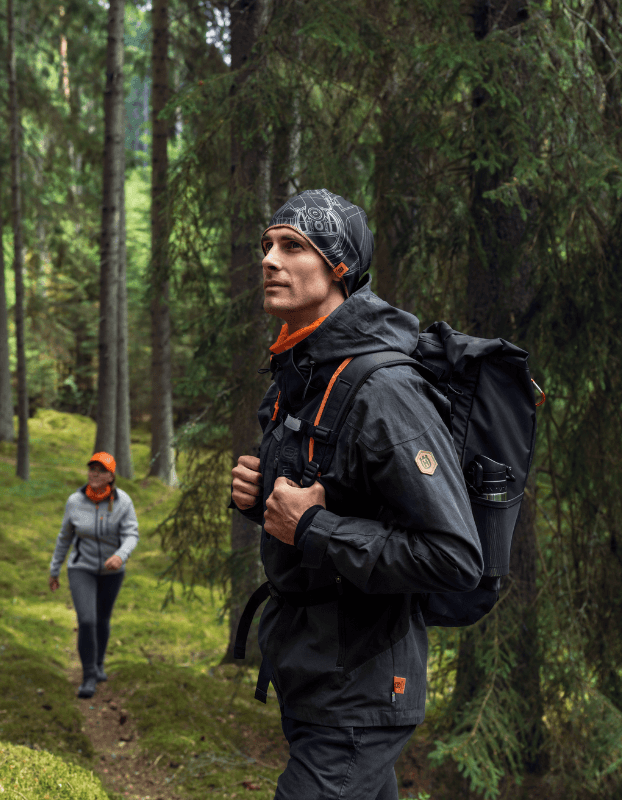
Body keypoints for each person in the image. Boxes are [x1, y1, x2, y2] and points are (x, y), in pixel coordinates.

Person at [230, 189, 483, 800]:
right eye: (267, 244)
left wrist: (314, 528)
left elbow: (454, 557)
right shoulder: (303, 373)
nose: (269, 258)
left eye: (293, 246)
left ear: (339, 266)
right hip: (317, 670)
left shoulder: (385, 389)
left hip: (360, 684)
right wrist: (260, 496)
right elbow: (328, 494)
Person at [49, 451, 139, 698]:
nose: (94, 474)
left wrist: (120, 555)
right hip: (82, 568)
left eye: (100, 470)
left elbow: (132, 534)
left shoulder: (123, 502)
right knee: (87, 620)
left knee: (102, 620)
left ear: (111, 476)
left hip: (113, 571)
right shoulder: (75, 501)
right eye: (92, 469)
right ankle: (88, 675)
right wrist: (54, 570)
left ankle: (99, 664)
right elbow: (64, 537)